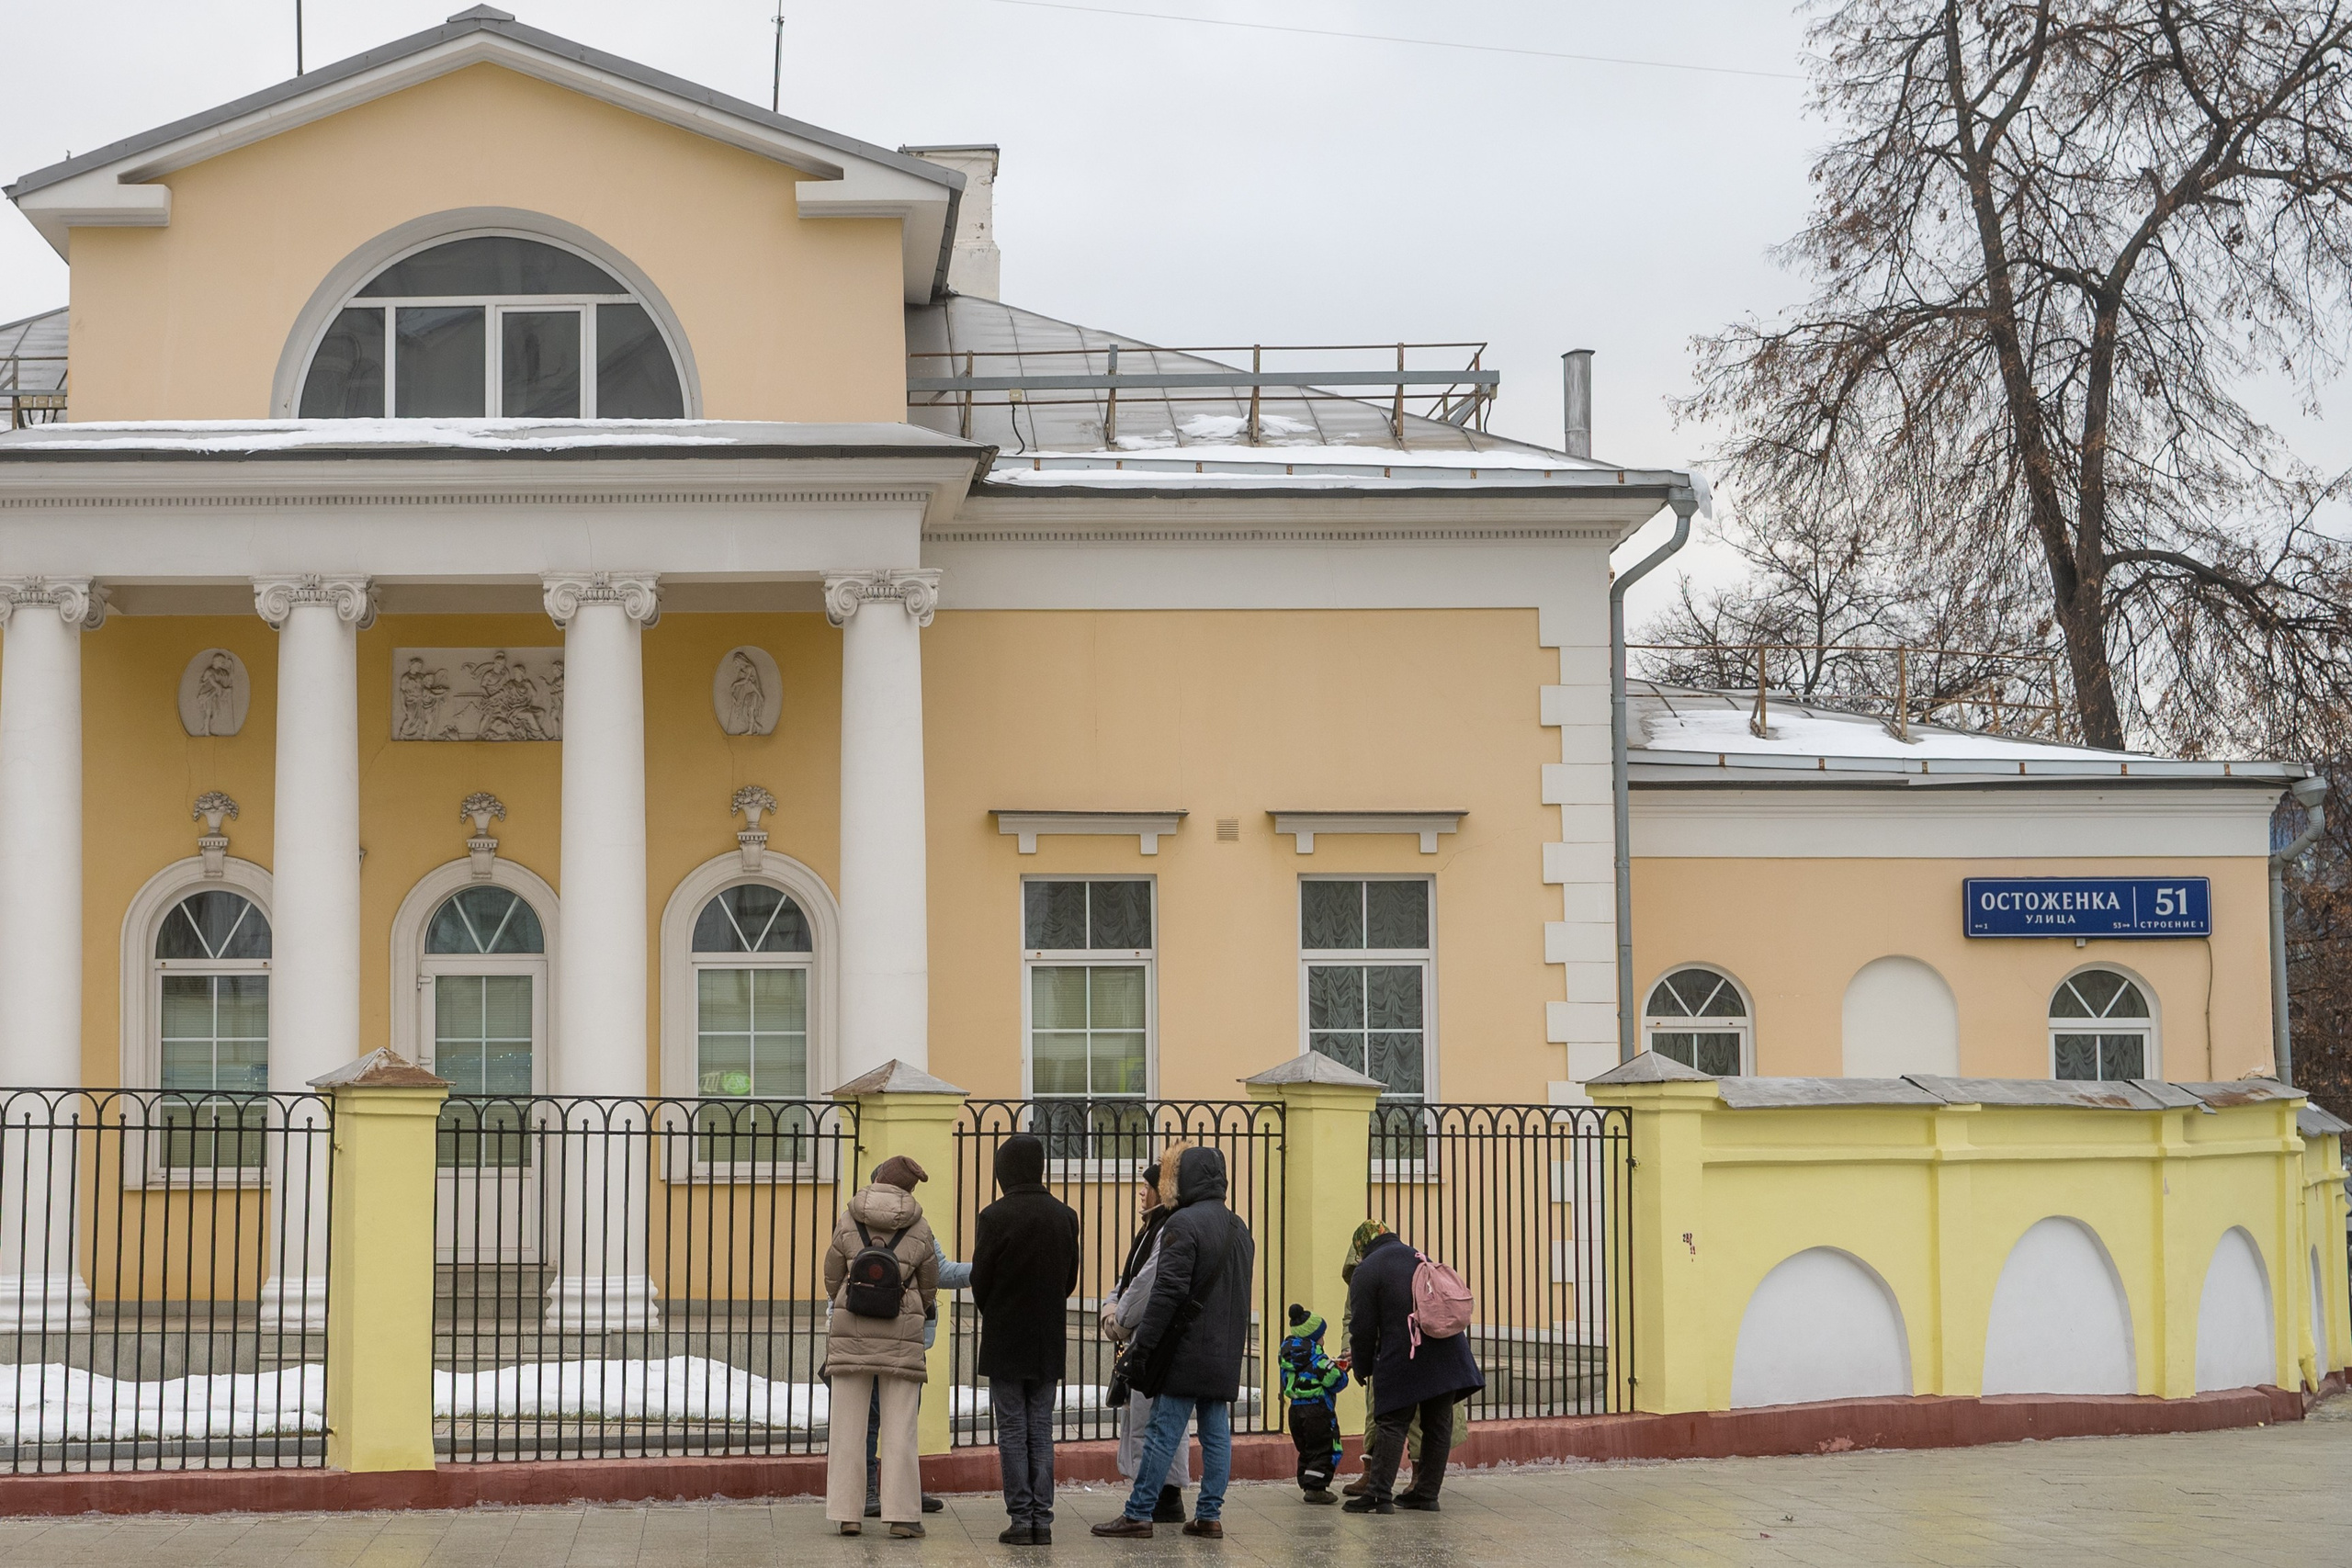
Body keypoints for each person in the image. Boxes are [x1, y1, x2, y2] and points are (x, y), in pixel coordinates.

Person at [1091, 1145, 1253, 1541]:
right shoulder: (1239, 1228)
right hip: (1225, 1350)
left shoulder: (1182, 1224)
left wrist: (1142, 1348)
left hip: (1183, 1350)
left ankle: (1138, 1512)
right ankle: (1209, 1515)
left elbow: (1165, 1293)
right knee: (1216, 1433)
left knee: (1164, 1431)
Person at [971, 1133, 1081, 1545]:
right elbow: (1069, 1279)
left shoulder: (994, 1216)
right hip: (1047, 1334)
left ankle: (1021, 1519)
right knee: (1041, 1427)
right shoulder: (1064, 1215)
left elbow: (980, 1279)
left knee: (1013, 1430)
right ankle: (1043, 1519)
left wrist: (999, 1310)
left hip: (1005, 1335)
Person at [823, 1154, 940, 1539]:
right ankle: (903, 1516)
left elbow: (831, 1274)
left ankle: (847, 1514)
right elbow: (928, 1286)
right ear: (908, 1189)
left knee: (847, 1428)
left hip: (850, 1329)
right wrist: (910, 1308)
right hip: (901, 1336)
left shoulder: (849, 1218)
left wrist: (852, 1299)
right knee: (900, 1427)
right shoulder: (920, 1227)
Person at [1342, 1228, 1483, 1515]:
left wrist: (1363, 1366)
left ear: (1361, 1247)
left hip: (1407, 1354)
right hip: (1447, 1351)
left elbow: (1362, 1327)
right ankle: (1426, 1494)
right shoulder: (1417, 1256)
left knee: (1392, 1422)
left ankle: (1379, 1494)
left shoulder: (1367, 1269)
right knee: (1437, 1424)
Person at [1103, 1155, 1193, 1524]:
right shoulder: (1153, 1228)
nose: (1143, 1192)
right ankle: (1161, 1495)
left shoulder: (1166, 1230)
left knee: (1150, 1421)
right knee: (1151, 1420)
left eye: (1149, 1187)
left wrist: (1119, 1318)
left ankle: (1158, 1497)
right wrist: (1113, 1302)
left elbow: (1145, 1285)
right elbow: (1128, 1280)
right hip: (1149, 1334)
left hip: (1153, 1337)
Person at [865, 1235, 968, 1519]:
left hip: (879, 1333)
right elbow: (942, 1273)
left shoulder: (857, 1219)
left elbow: (940, 1272)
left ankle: (888, 1491)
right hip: (897, 1334)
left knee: (885, 1418)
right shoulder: (916, 1226)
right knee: (893, 1417)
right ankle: (874, 1491)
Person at [1279, 1304, 1350, 1503]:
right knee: (1325, 1447)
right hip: (1318, 1410)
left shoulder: (1288, 1358)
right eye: (1322, 1335)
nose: (1324, 1339)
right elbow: (1336, 1382)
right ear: (1314, 1337)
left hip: (1296, 1410)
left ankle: (1307, 1482)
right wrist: (1343, 1372)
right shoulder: (1318, 1358)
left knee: (1308, 1447)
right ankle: (1317, 1488)